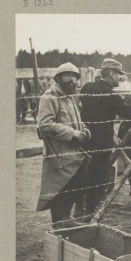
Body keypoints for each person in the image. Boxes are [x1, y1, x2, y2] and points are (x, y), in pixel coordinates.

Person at [35, 62, 91, 224]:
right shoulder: (50, 97)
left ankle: (66, 225)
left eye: (75, 76)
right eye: (68, 76)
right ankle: (60, 228)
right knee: (60, 195)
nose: (72, 80)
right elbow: (45, 125)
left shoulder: (70, 98)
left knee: (72, 193)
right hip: (60, 158)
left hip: (75, 156)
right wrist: (73, 134)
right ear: (59, 78)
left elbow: (78, 121)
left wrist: (85, 130)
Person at [79, 58, 130, 215]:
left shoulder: (87, 87)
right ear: (112, 74)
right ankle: (89, 213)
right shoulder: (110, 95)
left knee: (84, 176)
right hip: (102, 144)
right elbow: (129, 113)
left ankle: (80, 209)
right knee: (97, 179)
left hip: (85, 141)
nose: (120, 79)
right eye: (119, 75)